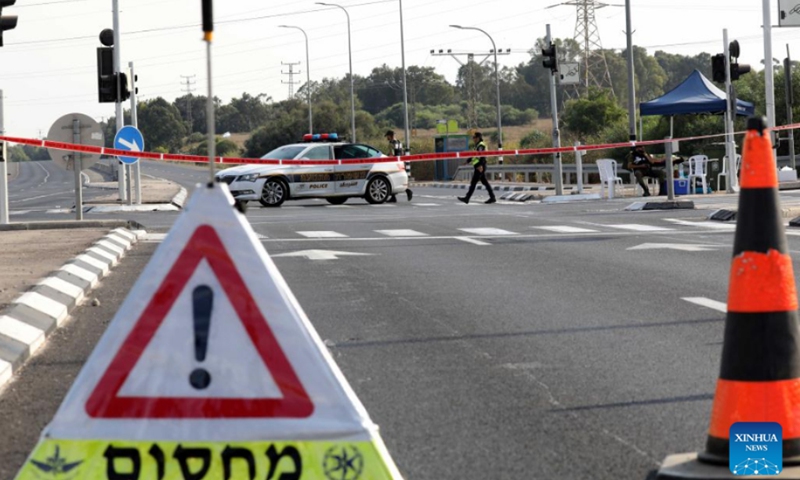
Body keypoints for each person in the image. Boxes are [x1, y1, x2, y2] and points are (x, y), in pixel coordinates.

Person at [458, 131, 496, 204]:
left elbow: (482, 156)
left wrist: (480, 165)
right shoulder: (477, 145)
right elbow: (474, 156)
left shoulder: (481, 145)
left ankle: (467, 198)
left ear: (478, 138)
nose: (473, 139)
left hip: (480, 166)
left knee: (473, 182)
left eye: (474, 137)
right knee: (485, 182)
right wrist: (467, 161)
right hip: (478, 166)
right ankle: (492, 197)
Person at [385, 130, 413, 203]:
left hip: (394, 163)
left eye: (387, 136)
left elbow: (391, 154)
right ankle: (394, 197)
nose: (387, 138)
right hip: (400, 162)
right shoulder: (399, 142)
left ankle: (407, 191)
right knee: (395, 179)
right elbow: (402, 152)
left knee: (392, 178)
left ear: (390, 136)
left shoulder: (391, 143)